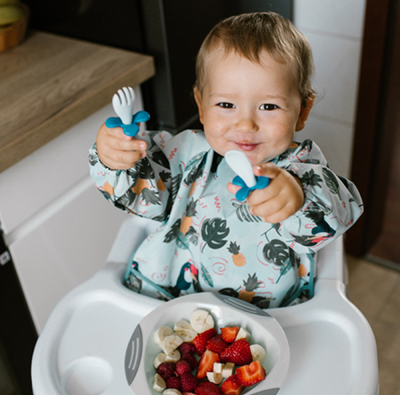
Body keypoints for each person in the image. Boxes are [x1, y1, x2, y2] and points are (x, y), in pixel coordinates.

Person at [88, 12, 363, 308]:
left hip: (269, 316)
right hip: (169, 299)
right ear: (201, 106)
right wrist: (117, 157)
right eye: (226, 104)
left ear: (303, 112)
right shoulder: (183, 152)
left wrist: (296, 197)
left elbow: (337, 213)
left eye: (269, 106)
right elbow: (142, 194)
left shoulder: (301, 168)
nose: (246, 125)